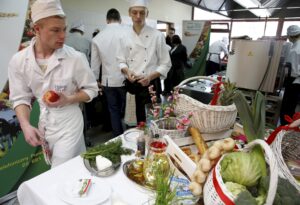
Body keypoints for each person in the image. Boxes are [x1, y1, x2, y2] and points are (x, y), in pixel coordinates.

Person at [8, 0, 98, 168]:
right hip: (45, 123)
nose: (63, 35)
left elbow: (92, 90)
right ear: (37, 29)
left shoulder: (75, 58)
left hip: (69, 123)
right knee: (69, 170)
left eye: (64, 29)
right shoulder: (19, 61)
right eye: (55, 30)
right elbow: (20, 98)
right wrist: (26, 125)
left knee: (58, 171)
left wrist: (69, 98)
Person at [117, 0, 171, 124]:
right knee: (134, 123)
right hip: (132, 85)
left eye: (142, 13)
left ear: (147, 13)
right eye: (134, 12)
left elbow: (166, 64)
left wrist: (150, 76)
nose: (138, 16)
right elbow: (120, 61)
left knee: (151, 123)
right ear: (129, 13)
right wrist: (127, 71)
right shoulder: (123, 36)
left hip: (151, 85)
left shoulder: (157, 36)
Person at [91, 8, 126, 137]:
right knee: (130, 111)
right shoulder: (127, 32)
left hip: (108, 81)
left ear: (106, 20)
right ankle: (131, 136)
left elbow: (94, 64)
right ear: (120, 19)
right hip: (127, 79)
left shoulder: (97, 38)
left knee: (113, 110)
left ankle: (117, 136)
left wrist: (95, 81)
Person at [280, 25, 300, 125]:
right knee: (291, 107)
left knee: (286, 109)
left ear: (291, 35)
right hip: (296, 81)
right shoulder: (295, 46)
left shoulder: (295, 50)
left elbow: (295, 71)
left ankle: (284, 128)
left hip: (294, 81)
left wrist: (285, 66)